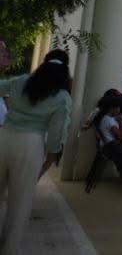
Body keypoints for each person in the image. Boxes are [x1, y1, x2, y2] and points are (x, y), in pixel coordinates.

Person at [0, 48, 73, 252]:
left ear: (43, 63)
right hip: (31, 144)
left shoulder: (22, 81)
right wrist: (48, 162)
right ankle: (9, 249)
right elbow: (56, 135)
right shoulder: (62, 97)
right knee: (20, 202)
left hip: (4, 136)